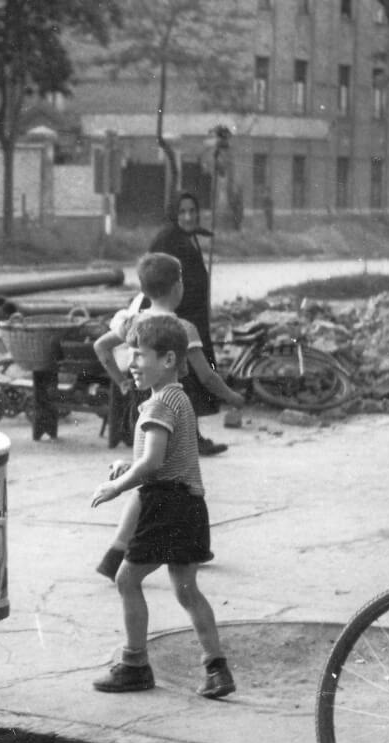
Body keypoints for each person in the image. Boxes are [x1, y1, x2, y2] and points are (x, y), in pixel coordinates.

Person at [89, 315, 236, 700]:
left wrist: (117, 486)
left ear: (168, 359)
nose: (131, 364)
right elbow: (161, 455)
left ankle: (135, 664)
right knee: (187, 590)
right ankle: (216, 668)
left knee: (126, 580)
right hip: (190, 504)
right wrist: (128, 463)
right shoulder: (178, 397)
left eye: (138, 355)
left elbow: (153, 464)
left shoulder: (157, 406)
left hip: (165, 505)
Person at [92, 253, 245, 581]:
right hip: (170, 403)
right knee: (178, 473)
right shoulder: (181, 328)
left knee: (147, 478)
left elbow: (101, 348)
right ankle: (187, 545)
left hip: (141, 403)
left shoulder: (133, 321)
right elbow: (206, 376)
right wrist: (232, 395)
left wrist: (120, 381)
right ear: (178, 287)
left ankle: (116, 550)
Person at [147, 191, 228, 456]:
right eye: (182, 212)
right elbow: (154, 278)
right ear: (174, 214)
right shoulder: (168, 240)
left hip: (193, 317)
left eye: (193, 211)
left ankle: (187, 437)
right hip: (179, 319)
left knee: (189, 379)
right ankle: (191, 439)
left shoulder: (186, 237)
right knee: (186, 380)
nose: (189, 216)